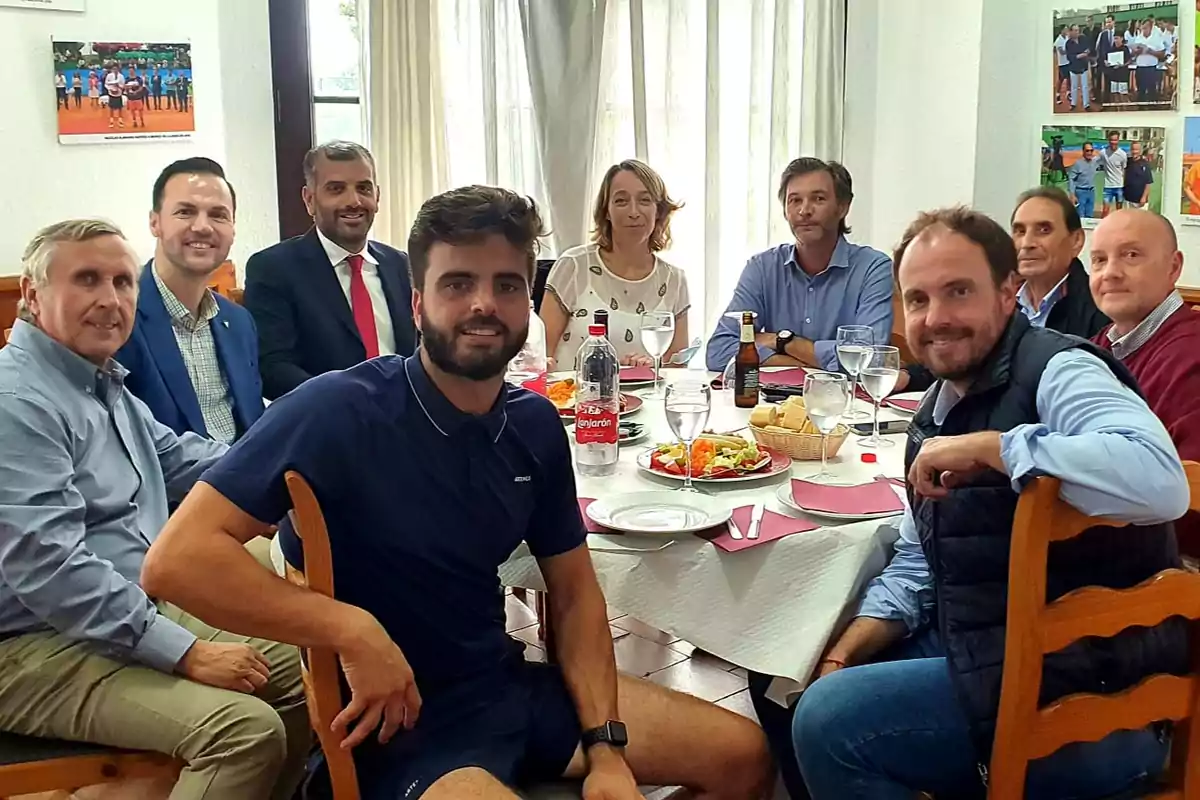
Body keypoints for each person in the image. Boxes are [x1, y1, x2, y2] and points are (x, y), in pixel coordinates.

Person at [142, 185, 773, 800]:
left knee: (744, 757)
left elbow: (576, 592)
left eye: (506, 284)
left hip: (503, 687)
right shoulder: (336, 410)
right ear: (416, 304)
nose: (484, 304)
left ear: (530, 301)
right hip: (395, 725)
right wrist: (353, 631)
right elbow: (177, 560)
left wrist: (606, 748)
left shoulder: (534, 424)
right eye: (457, 283)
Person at [790, 206, 1188, 800]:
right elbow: (920, 562)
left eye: (959, 292)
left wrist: (999, 447)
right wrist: (843, 651)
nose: (936, 318)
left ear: (1008, 293)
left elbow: (1163, 480)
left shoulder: (1060, 369)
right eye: (918, 299)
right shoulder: (935, 413)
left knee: (829, 725)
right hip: (994, 648)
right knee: (791, 671)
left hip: (1098, 694)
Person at [0, 219, 310, 800]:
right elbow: (50, 568)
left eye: (122, 281)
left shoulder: (97, 381)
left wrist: (303, 461)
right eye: (87, 280)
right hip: (30, 644)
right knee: (244, 733)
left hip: (121, 609)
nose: (109, 299)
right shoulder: (17, 401)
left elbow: (189, 459)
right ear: (32, 297)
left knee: (309, 668)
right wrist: (185, 652)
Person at [244, 141, 417, 400]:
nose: (354, 201)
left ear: (377, 197)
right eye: (336, 189)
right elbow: (272, 368)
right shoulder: (273, 270)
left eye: (364, 188)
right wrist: (347, 403)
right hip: (327, 426)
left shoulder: (400, 265)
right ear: (310, 200)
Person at [898, 188, 1109, 395]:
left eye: (1044, 230)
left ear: (1076, 241)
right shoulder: (999, 299)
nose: (1027, 243)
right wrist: (909, 376)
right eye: (1019, 231)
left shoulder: (1100, 310)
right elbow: (963, 355)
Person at [115, 158, 264, 443]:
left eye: (218, 215)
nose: (203, 227)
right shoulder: (119, 317)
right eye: (185, 212)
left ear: (233, 227)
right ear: (154, 222)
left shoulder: (240, 322)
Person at [705, 157, 893, 373]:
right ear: (785, 210)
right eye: (794, 200)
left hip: (845, 404)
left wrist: (782, 342)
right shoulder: (762, 268)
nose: (804, 210)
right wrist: (810, 364)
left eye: (818, 199)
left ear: (843, 207)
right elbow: (718, 351)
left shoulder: (873, 268)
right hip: (774, 403)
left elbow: (871, 360)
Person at [1090, 210, 1200, 558]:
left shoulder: (1192, 353)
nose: (1111, 272)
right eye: (1099, 260)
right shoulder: (1099, 346)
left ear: (1173, 267)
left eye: (1131, 255)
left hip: (1165, 574)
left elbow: (1186, 503)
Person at [540, 159, 689, 370]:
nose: (634, 212)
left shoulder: (675, 280)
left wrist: (650, 370)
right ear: (606, 211)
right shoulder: (573, 266)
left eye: (645, 200)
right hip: (573, 399)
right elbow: (539, 358)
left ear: (659, 211)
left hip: (644, 402)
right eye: (621, 201)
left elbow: (677, 370)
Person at [1131, 17, 1168, 103]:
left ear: (1151, 27)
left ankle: (1152, 110)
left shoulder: (1156, 38)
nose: (1144, 30)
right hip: (1140, 68)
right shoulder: (1138, 38)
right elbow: (1132, 53)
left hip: (1151, 68)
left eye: (1146, 28)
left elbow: (1162, 53)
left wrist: (1150, 51)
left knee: (1152, 91)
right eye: (1142, 28)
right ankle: (1141, 109)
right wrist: (1136, 51)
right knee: (1140, 91)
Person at [1066, 141, 1100, 218]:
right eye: (1087, 150)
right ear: (1083, 151)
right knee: (1080, 216)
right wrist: (1072, 195)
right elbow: (1071, 179)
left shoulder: (1095, 162)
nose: (1089, 152)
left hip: (1091, 192)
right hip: (1080, 193)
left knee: (1090, 216)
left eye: (1091, 150)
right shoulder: (1078, 164)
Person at [1099, 131, 1128, 216]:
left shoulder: (1122, 154)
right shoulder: (1103, 153)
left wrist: (1124, 185)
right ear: (1108, 140)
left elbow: (1124, 170)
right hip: (1107, 187)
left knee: (1119, 212)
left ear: (1118, 140)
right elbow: (1096, 163)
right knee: (1105, 211)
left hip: (1119, 186)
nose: (1113, 142)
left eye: (1115, 140)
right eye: (1111, 140)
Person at [1065, 25, 1092, 111]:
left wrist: (1088, 51)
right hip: (1074, 67)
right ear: (1071, 31)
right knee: (1074, 86)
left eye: (1078, 30)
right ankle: (1073, 103)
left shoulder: (1083, 39)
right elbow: (1069, 57)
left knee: (1085, 86)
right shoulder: (1068, 43)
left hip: (1084, 66)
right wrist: (1079, 56)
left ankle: (1086, 104)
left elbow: (1089, 47)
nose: (1077, 32)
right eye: (1075, 30)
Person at [1123, 140, 1155, 209]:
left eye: (1136, 150)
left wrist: (1144, 197)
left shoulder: (1145, 164)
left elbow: (1148, 183)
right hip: (1128, 199)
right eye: (1133, 149)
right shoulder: (1127, 161)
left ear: (1140, 151)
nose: (1134, 152)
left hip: (1141, 201)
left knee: (1141, 219)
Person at [103, 64, 125, 129]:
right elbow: (106, 84)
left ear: (118, 69)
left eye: (116, 69)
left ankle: (120, 121)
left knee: (120, 108)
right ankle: (111, 121)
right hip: (111, 94)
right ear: (112, 69)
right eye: (114, 69)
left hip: (118, 94)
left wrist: (119, 87)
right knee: (111, 108)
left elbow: (123, 85)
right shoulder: (109, 76)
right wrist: (110, 89)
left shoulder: (121, 76)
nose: (115, 70)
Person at [1055, 26, 1071, 106]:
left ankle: (1068, 93)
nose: (1066, 31)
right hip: (1062, 64)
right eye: (1065, 29)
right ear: (1061, 31)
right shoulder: (1058, 40)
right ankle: (1057, 95)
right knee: (1061, 79)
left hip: (1068, 62)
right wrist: (1070, 50)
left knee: (1069, 78)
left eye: (1067, 29)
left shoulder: (1067, 37)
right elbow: (1062, 52)